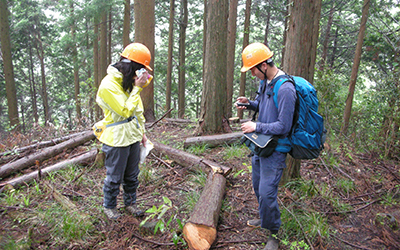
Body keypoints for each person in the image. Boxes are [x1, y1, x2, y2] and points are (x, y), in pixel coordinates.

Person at [235, 43, 297, 250]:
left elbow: (284, 125)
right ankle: (264, 219)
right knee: (257, 185)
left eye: (252, 69)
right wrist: (250, 104)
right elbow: (263, 105)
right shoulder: (266, 82)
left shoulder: (286, 88)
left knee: (267, 192)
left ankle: (273, 233)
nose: (252, 73)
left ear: (263, 65)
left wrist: (256, 125)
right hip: (261, 145)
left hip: (276, 148)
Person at [95, 42, 152, 220]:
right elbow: (125, 110)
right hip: (117, 139)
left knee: (132, 175)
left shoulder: (127, 83)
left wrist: (141, 133)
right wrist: (137, 88)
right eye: (141, 70)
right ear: (132, 68)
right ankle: (109, 206)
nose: (142, 75)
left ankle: (130, 203)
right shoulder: (108, 85)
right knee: (114, 176)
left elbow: (137, 112)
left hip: (132, 135)